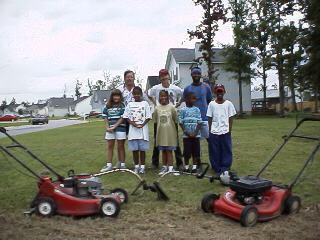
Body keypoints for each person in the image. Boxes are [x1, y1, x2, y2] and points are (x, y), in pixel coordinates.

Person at [147, 69, 183, 169]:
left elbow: (183, 94)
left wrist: (178, 104)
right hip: (160, 114)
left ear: (169, 77)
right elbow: (148, 93)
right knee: (157, 139)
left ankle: (179, 163)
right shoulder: (156, 88)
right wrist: (155, 103)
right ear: (160, 78)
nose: (164, 80)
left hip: (171, 114)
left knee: (174, 140)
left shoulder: (175, 88)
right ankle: (155, 162)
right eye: (162, 78)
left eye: (166, 78)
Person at [206, 84, 236, 177]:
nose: (219, 93)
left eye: (221, 91)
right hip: (214, 132)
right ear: (215, 93)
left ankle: (225, 167)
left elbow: (231, 117)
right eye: (218, 92)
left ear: (224, 92)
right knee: (214, 150)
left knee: (226, 149)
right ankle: (217, 167)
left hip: (225, 131)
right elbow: (210, 118)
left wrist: (229, 129)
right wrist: (211, 130)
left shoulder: (228, 104)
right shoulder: (212, 104)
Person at [122, 86, 152, 174]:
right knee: (135, 150)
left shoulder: (145, 104)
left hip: (142, 131)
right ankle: (136, 166)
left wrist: (142, 124)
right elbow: (126, 117)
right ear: (132, 95)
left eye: (138, 93)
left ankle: (142, 167)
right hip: (133, 131)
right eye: (135, 94)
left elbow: (148, 116)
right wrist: (134, 124)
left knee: (142, 150)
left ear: (141, 94)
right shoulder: (130, 104)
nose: (137, 95)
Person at [178, 66, 212, 140]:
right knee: (194, 141)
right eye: (194, 73)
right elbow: (184, 99)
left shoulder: (206, 87)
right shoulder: (187, 88)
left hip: (204, 118)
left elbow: (209, 100)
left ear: (200, 75)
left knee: (210, 139)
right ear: (191, 75)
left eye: (198, 73)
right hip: (192, 120)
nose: (196, 75)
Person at [100, 89, 126, 172]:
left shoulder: (122, 105)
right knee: (110, 146)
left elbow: (122, 118)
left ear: (120, 97)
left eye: (118, 95)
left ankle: (122, 165)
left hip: (120, 128)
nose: (116, 97)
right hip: (110, 129)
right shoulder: (107, 105)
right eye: (114, 95)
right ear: (112, 96)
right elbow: (105, 116)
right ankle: (109, 165)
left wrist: (115, 126)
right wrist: (107, 127)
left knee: (120, 146)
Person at [153, 90, 178, 175]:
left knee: (169, 151)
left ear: (167, 97)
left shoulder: (172, 107)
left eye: (164, 96)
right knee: (163, 151)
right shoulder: (157, 108)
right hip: (161, 134)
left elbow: (175, 119)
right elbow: (156, 121)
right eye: (161, 96)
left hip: (170, 133)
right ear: (159, 98)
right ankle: (164, 167)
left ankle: (171, 168)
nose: (163, 98)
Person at [178, 92, 202, 173]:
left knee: (195, 151)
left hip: (196, 135)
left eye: (195, 98)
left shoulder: (197, 109)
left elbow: (199, 122)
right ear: (187, 99)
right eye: (192, 98)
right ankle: (187, 167)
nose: (194, 100)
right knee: (187, 152)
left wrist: (195, 132)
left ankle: (195, 167)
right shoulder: (182, 110)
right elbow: (180, 122)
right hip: (186, 136)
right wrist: (187, 132)